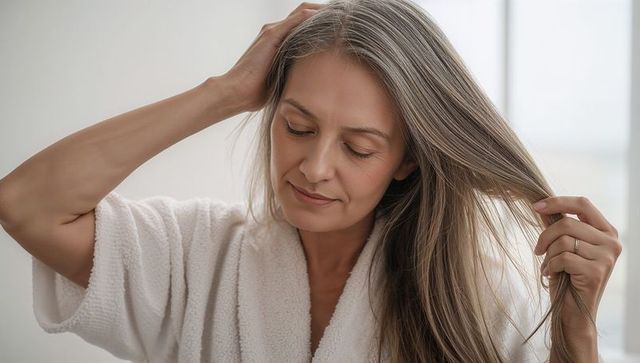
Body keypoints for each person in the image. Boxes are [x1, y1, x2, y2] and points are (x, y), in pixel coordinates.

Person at [0, 0, 622, 362]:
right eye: (296, 126)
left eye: (358, 147)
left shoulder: (478, 300)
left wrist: (577, 331)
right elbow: (26, 204)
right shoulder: (195, 259)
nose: (315, 167)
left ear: (407, 160)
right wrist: (223, 93)